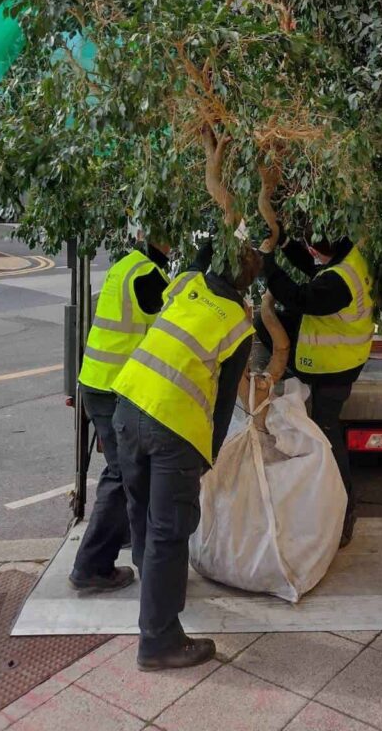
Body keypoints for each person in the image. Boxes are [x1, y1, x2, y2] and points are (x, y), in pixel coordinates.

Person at [112, 242, 261, 671]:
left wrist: (219, 235)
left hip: (128, 404)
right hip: (172, 428)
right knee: (168, 531)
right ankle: (158, 641)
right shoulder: (238, 325)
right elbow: (224, 400)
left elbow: (201, 257)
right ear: (249, 284)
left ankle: (157, 595)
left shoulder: (186, 282)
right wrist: (208, 457)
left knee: (141, 513)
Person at [257, 224, 374, 547]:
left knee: (327, 434)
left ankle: (344, 510)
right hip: (343, 357)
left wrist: (266, 264)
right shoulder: (348, 258)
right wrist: (283, 242)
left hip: (332, 367)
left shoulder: (336, 283)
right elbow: (311, 266)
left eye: (312, 248)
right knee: (266, 320)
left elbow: (297, 297)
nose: (311, 255)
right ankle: (332, 503)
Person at [68, 235, 171, 593]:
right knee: (121, 474)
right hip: (113, 387)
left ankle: (121, 537)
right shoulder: (150, 276)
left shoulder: (127, 265)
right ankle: (91, 565)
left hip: (99, 381)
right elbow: (171, 330)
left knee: (124, 471)